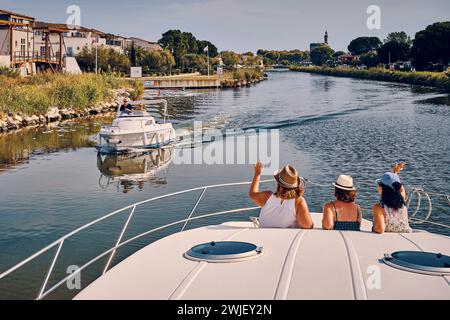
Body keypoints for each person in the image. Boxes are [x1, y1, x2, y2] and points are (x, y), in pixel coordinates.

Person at [249, 162, 314, 229]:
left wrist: (257, 174)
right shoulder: (298, 202)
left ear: (278, 183)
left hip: (262, 237)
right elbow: (308, 226)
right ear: (295, 185)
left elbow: (252, 194)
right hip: (285, 238)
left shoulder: (267, 197)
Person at [372, 162, 412, 234]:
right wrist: (395, 173)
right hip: (406, 235)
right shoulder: (402, 201)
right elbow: (400, 188)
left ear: (382, 188)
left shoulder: (379, 208)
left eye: (379, 184)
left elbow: (380, 230)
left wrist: (373, 227)